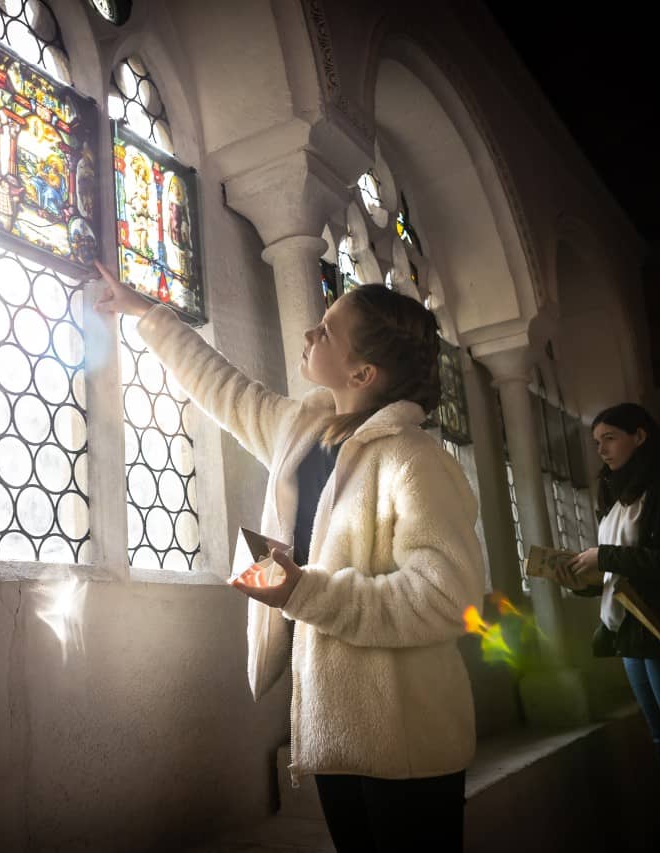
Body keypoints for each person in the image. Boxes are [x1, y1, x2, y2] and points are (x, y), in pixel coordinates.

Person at [94, 262, 485, 853]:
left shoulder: (414, 460)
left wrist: (302, 592)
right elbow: (222, 388)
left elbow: (446, 600)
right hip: (335, 728)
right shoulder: (304, 430)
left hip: (410, 742)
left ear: (363, 371)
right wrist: (146, 314)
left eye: (327, 330)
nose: (310, 334)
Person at [555, 403, 660, 853]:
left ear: (641, 435)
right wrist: (585, 579)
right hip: (629, 633)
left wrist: (604, 557)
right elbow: (623, 574)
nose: (602, 450)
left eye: (610, 438)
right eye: (596, 443)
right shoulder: (616, 493)